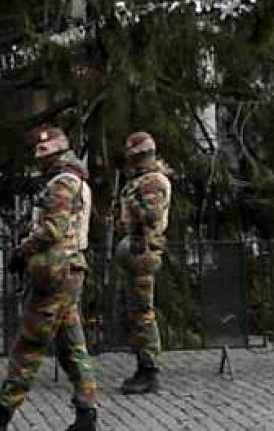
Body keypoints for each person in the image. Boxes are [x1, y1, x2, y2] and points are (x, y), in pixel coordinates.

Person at [0, 127, 98, 431]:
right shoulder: (75, 181)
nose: (40, 163)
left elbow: (53, 230)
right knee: (72, 346)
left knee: (29, 345)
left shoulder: (62, 184)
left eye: (45, 157)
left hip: (56, 275)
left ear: (57, 156)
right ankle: (86, 416)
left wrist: (22, 251)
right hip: (69, 272)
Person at [115, 132, 172, 396]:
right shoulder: (141, 181)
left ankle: (149, 370)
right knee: (136, 312)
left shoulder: (150, 182)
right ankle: (143, 366)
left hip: (144, 248)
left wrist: (133, 202)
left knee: (143, 313)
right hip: (137, 248)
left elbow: (151, 216)